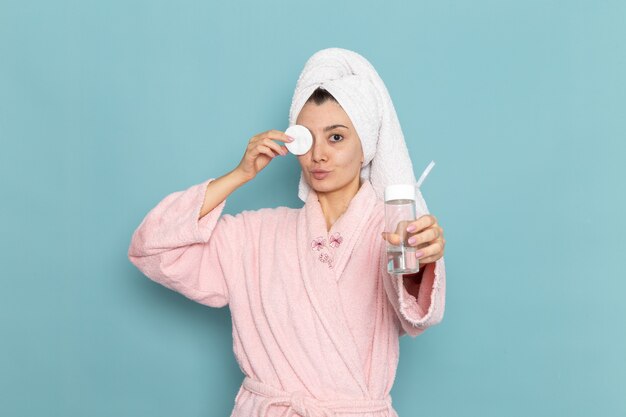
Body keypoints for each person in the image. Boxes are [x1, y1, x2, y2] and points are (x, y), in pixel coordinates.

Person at [128, 47, 446, 417]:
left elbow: (416, 315)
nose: (319, 156)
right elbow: (152, 249)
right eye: (308, 139)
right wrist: (238, 175)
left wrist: (421, 263)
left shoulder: (394, 231)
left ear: (367, 146)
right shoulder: (254, 236)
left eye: (337, 138)